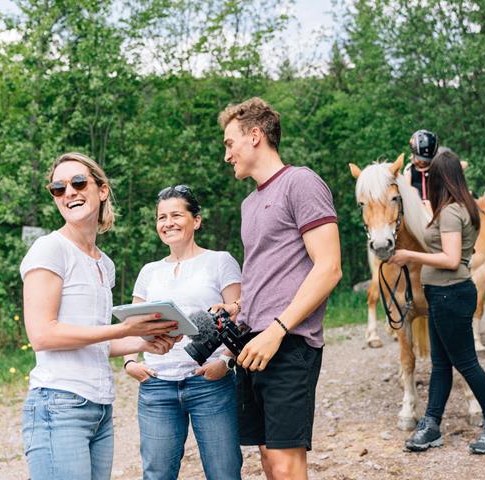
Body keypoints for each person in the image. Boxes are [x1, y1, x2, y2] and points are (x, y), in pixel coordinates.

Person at [20, 152, 179, 480]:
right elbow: (42, 335)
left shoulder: (104, 264)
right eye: (58, 188)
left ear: (101, 190)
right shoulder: (49, 249)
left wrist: (146, 341)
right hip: (59, 405)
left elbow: (92, 341)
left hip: (99, 408)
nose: (69, 192)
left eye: (78, 182)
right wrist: (122, 330)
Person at [217, 97, 343, 479]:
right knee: (270, 461)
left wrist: (277, 329)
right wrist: (237, 310)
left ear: (255, 136)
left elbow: (329, 268)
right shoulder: (249, 204)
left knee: (288, 466)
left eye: (229, 143)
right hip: (252, 344)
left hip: (288, 342)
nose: (227, 156)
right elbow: (267, 272)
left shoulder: (300, 182)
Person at [388, 149, 485, 454]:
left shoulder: (452, 214)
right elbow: (440, 230)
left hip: (450, 295)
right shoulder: (456, 208)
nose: (426, 180)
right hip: (442, 296)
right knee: (441, 365)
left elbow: (451, 258)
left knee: (467, 364)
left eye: (431, 176)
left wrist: (409, 255)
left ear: (443, 178)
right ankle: (431, 423)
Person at [123, 185, 243, 480]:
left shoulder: (220, 261)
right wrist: (130, 362)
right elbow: (132, 325)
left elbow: (241, 316)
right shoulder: (149, 271)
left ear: (196, 220)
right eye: (161, 217)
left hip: (209, 382)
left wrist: (225, 362)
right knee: (157, 474)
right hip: (157, 385)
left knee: (224, 472)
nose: (168, 223)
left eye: (176, 215)